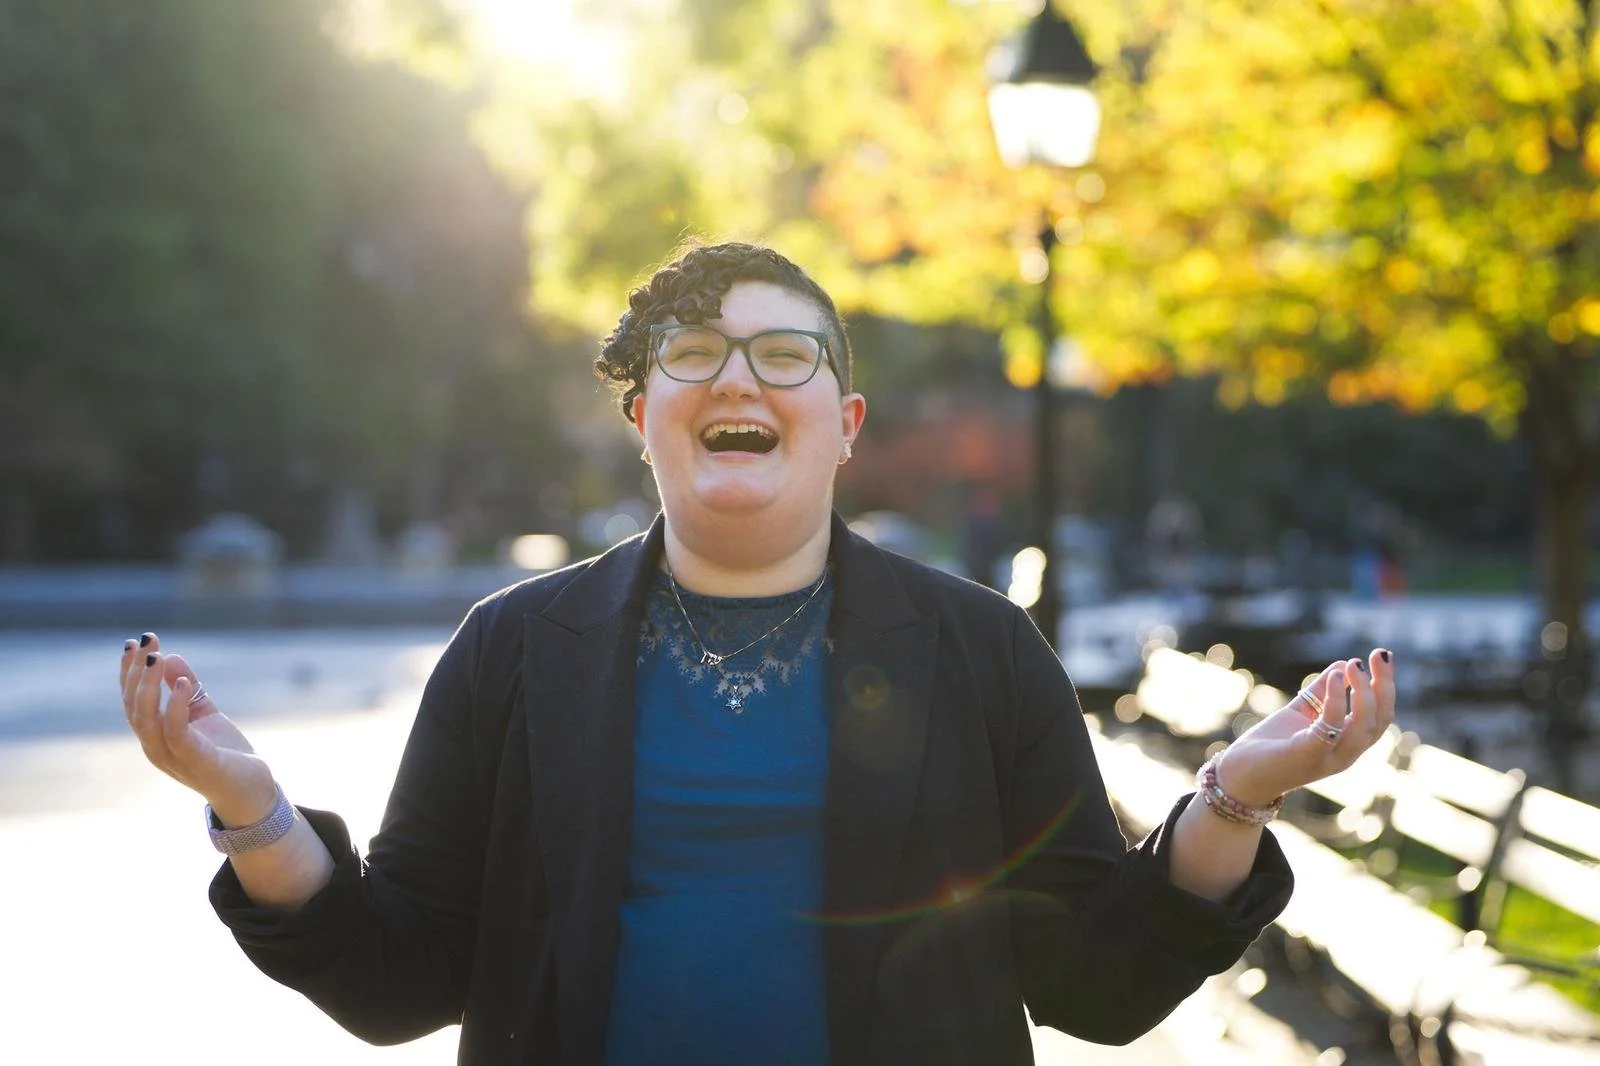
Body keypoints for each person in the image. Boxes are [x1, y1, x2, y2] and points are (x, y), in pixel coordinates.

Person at [119, 241, 1398, 1066]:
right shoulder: (514, 650)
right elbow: (402, 978)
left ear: (840, 424)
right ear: (643, 419)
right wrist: (254, 812)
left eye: (783, 355)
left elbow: (1092, 985)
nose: (739, 378)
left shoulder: (980, 650)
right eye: (693, 355)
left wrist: (1233, 797)